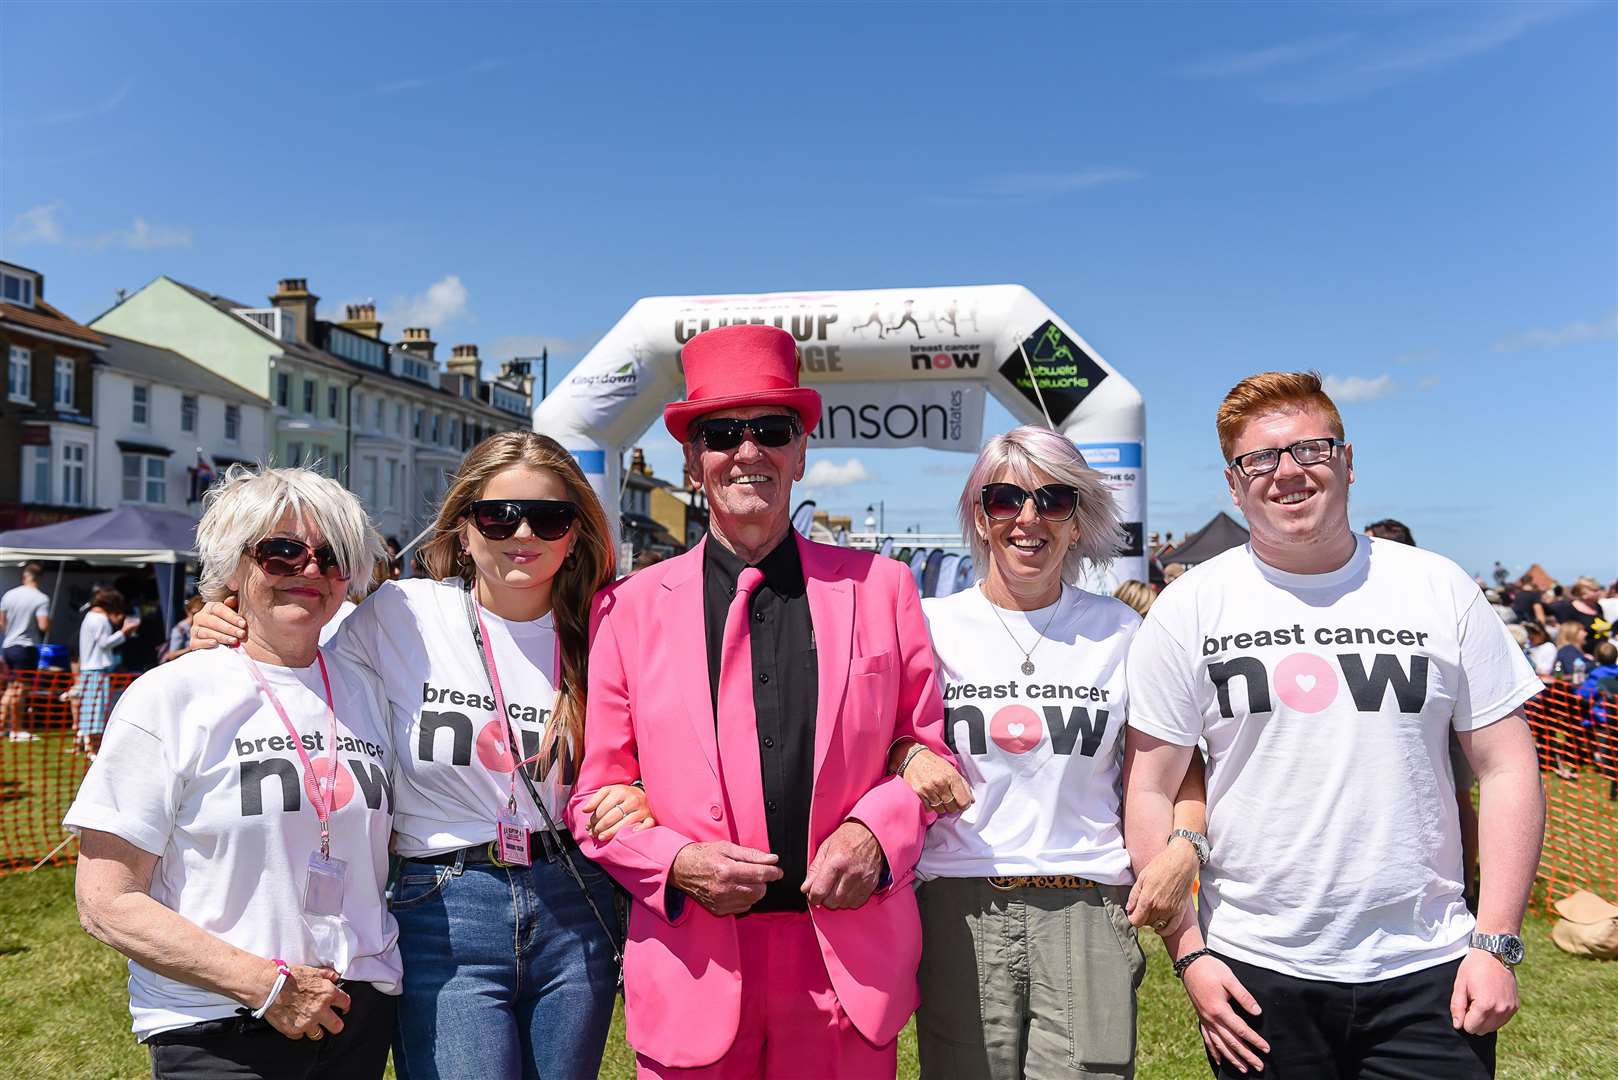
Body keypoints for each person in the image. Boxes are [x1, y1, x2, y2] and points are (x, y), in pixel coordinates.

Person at [1123, 371, 1545, 1079]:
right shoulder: (1190, 606)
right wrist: (1190, 954)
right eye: (1261, 459)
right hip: (1258, 969)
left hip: (1431, 966)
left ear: (1347, 460)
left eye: (1310, 449)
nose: (1287, 472)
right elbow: (1147, 788)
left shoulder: (1437, 587)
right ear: (1234, 485)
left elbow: (1508, 769)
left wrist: (1496, 941)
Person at [195, 432, 643, 1080]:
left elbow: (669, 745)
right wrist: (215, 618)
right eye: (497, 514)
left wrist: (645, 795)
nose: (522, 532)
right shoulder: (400, 613)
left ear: (576, 533)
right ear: (463, 528)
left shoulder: (607, 627)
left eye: (549, 516)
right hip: (444, 902)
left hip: (576, 901)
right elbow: (290, 660)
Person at [570, 324, 953, 1078]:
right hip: (694, 962)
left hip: (844, 960)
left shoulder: (884, 589)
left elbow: (928, 754)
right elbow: (596, 799)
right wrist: (676, 861)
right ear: (691, 460)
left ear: (802, 450)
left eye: (771, 430)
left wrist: (875, 837)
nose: (748, 452)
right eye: (722, 434)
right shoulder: (627, 609)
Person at [889, 427, 1209, 1080]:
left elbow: (1181, 766)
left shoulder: (1120, 632)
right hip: (961, 908)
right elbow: (877, 736)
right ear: (980, 517)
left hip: (1087, 910)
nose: (1028, 519)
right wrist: (904, 757)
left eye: (1052, 501)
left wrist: (1186, 846)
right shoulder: (930, 623)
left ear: (1077, 519)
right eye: (1005, 499)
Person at [64, 465, 399, 1079]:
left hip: (354, 1012)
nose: (310, 570)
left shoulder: (370, 688)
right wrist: (264, 984)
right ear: (231, 571)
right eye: (281, 553)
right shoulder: (171, 695)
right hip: (219, 1021)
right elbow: (105, 900)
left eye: (332, 557)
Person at [76, 587, 139, 759]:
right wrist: (123, 633)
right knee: (97, 711)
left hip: (91, 668)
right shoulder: (100, 619)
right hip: (96, 669)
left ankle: (88, 745)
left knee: (92, 709)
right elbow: (105, 643)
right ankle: (92, 749)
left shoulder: (91, 616)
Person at [1, 562, 51, 741]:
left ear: (25, 576)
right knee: (20, 690)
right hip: (25, 647)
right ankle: (16, 729)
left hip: (8, 646)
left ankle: (3, 727)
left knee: (10, 689)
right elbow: (43, 625)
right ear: (39, 578)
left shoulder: (9, 594)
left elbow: (2, 624)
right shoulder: (41, 598)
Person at [1549, 577, 1609, 645]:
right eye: (1594, 590)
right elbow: (1566, 635)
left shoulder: (1598, 607)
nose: (1599, 593)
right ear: (1583, 593)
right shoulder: (1568, 608)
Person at [161, 596, 206, 664]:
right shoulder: (180, 629)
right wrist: (191, 649)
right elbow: (171, 655)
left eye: (200, 613)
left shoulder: (202, 626)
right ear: (188, 611)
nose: (196, 616)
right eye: (194, 613)